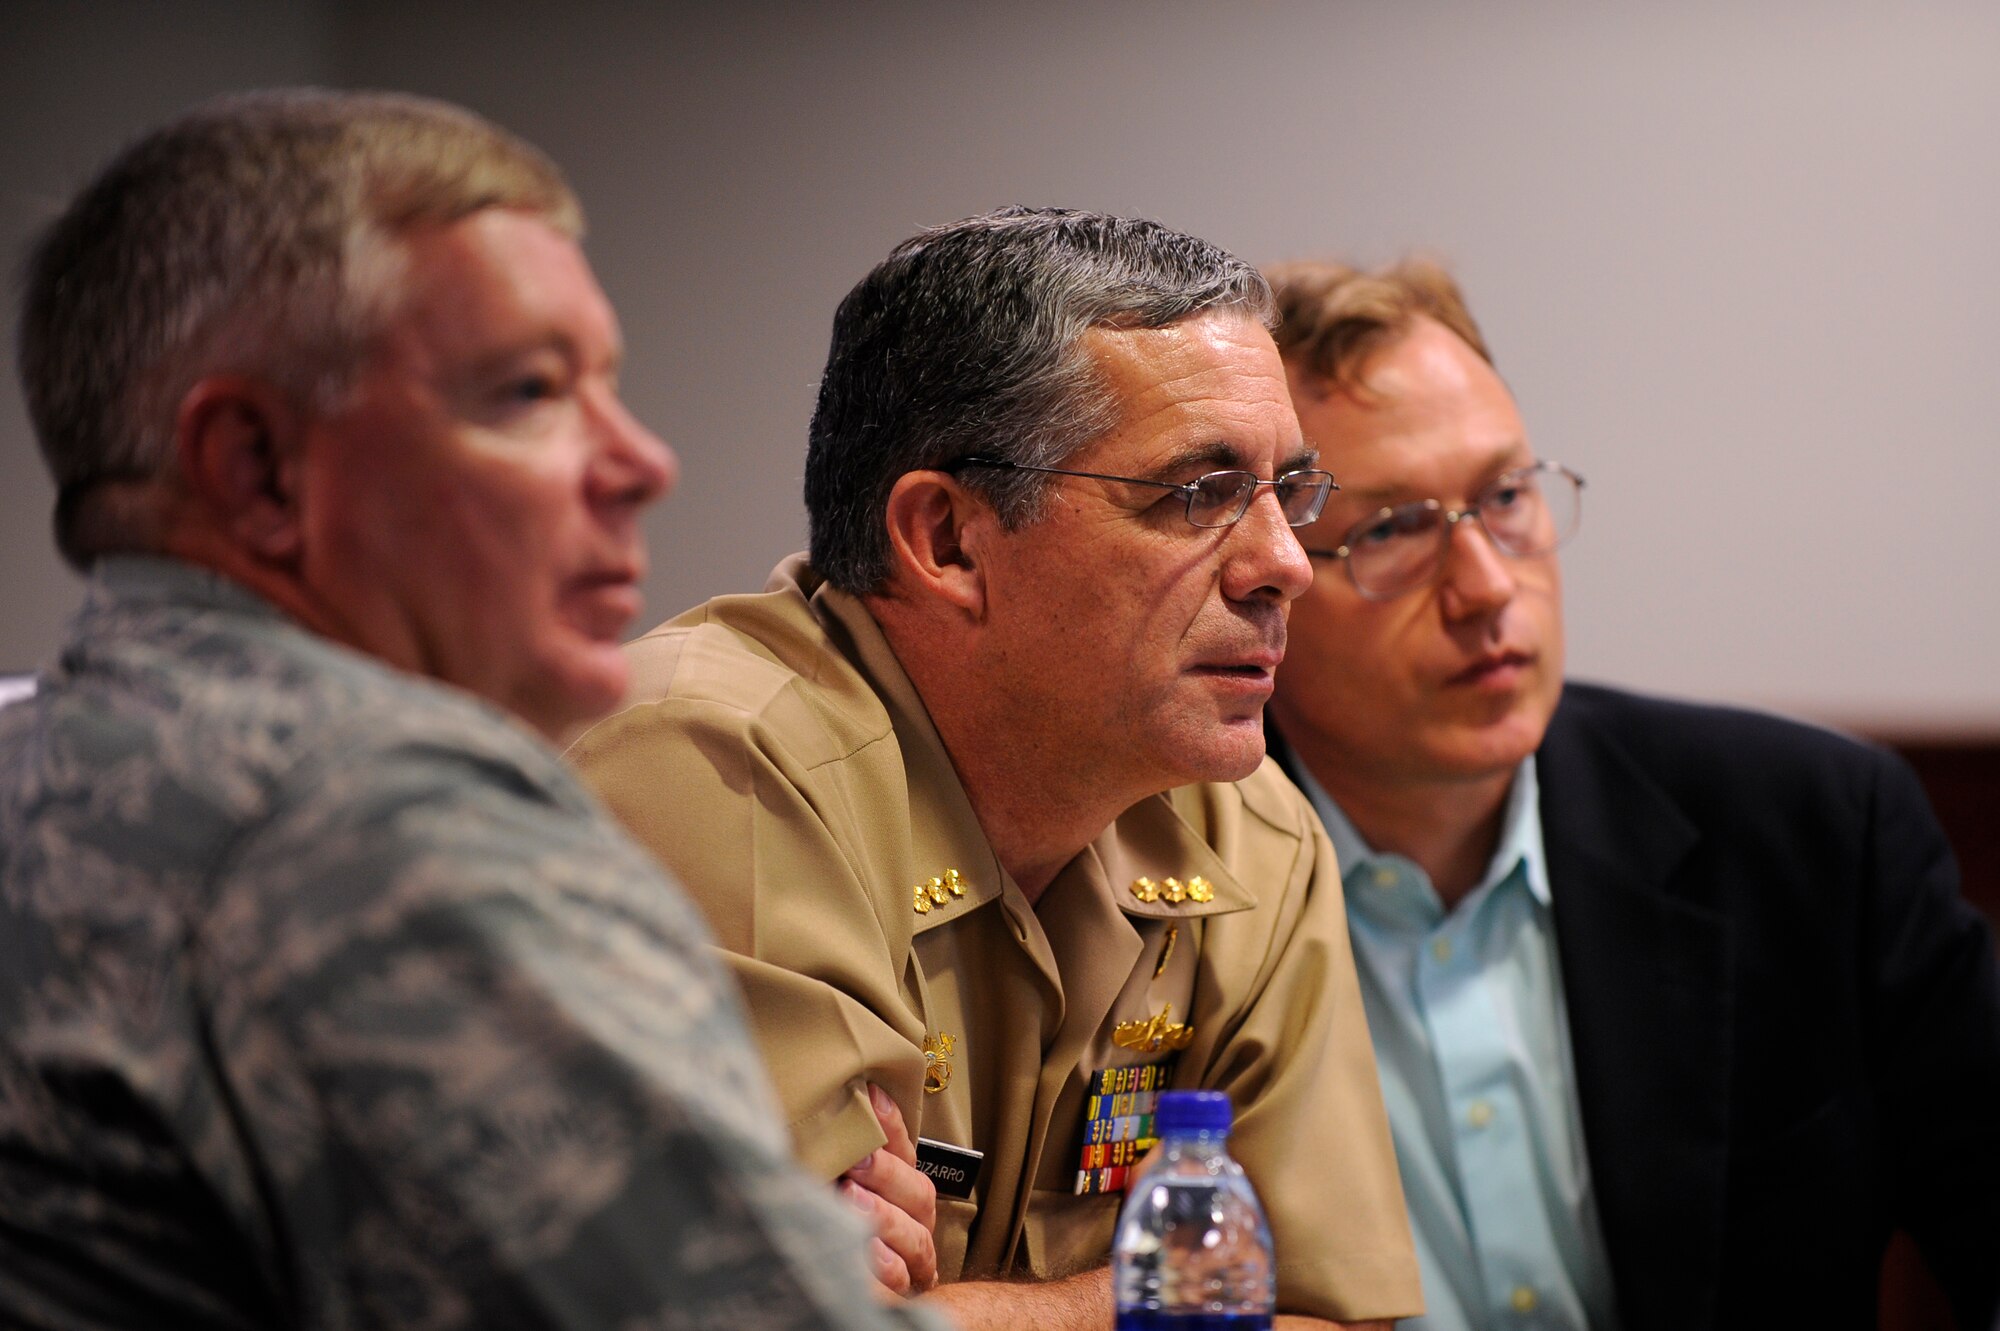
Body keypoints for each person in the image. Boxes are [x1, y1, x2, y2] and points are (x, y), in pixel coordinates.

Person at [0, 88, 951, 1331]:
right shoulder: (383, 822)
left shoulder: (36, 761)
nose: (640, 463)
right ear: (258, 468)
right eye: (525, 391)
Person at [567, 208, 1422, 1329]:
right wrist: (1161, 1293)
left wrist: (966, 1313)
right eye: (1199, 493)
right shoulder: (712, 758)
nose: (1281, 566)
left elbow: (1334, 1315)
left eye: (1284, 492)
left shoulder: (1245, 824)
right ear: (949, 541)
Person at [1259, 257, 2000, 1331]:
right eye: (1388, 530)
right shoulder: (1156, 886)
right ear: (1263, 582)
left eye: (1504, 496)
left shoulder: (1816, 830)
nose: (1484, 585)